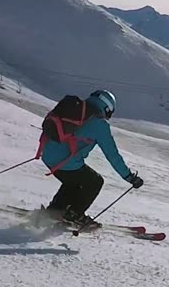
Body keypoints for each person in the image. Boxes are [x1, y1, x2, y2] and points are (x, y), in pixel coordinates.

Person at [37, 89, 143, 229]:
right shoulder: (99, 124)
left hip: (47, 155)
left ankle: (55, 210)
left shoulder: (74, 111)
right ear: (107, 108)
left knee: (73, 182)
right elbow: (112, 155)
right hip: (64, 161)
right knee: (95, 182)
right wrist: (129, 177)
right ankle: (75, 215)